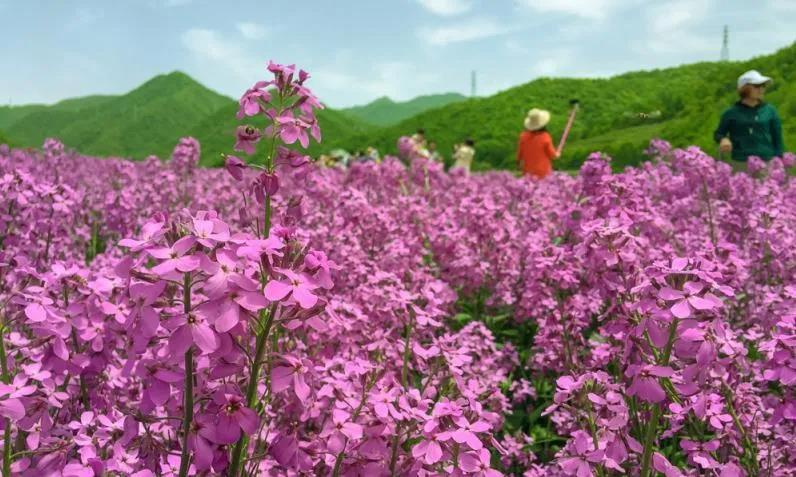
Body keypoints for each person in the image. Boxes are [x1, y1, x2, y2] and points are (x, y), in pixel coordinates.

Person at [714, 70, 785, 170]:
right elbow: (719, 134)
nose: (761, 90)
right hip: (741, 163)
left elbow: (777, 138)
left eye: (763, 86)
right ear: (745, 89)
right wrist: (724, 139)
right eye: (756, 86)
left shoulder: (770, 110)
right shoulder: (730, 113)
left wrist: (779, 162)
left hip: (767, 163)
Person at [516, 108, 559, 179]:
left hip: (528, 173)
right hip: (544, 173)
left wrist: (518, 164)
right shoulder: (545, 136)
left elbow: (519, 155)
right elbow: (552, 155)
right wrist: (557, 154)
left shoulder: (523, 136)